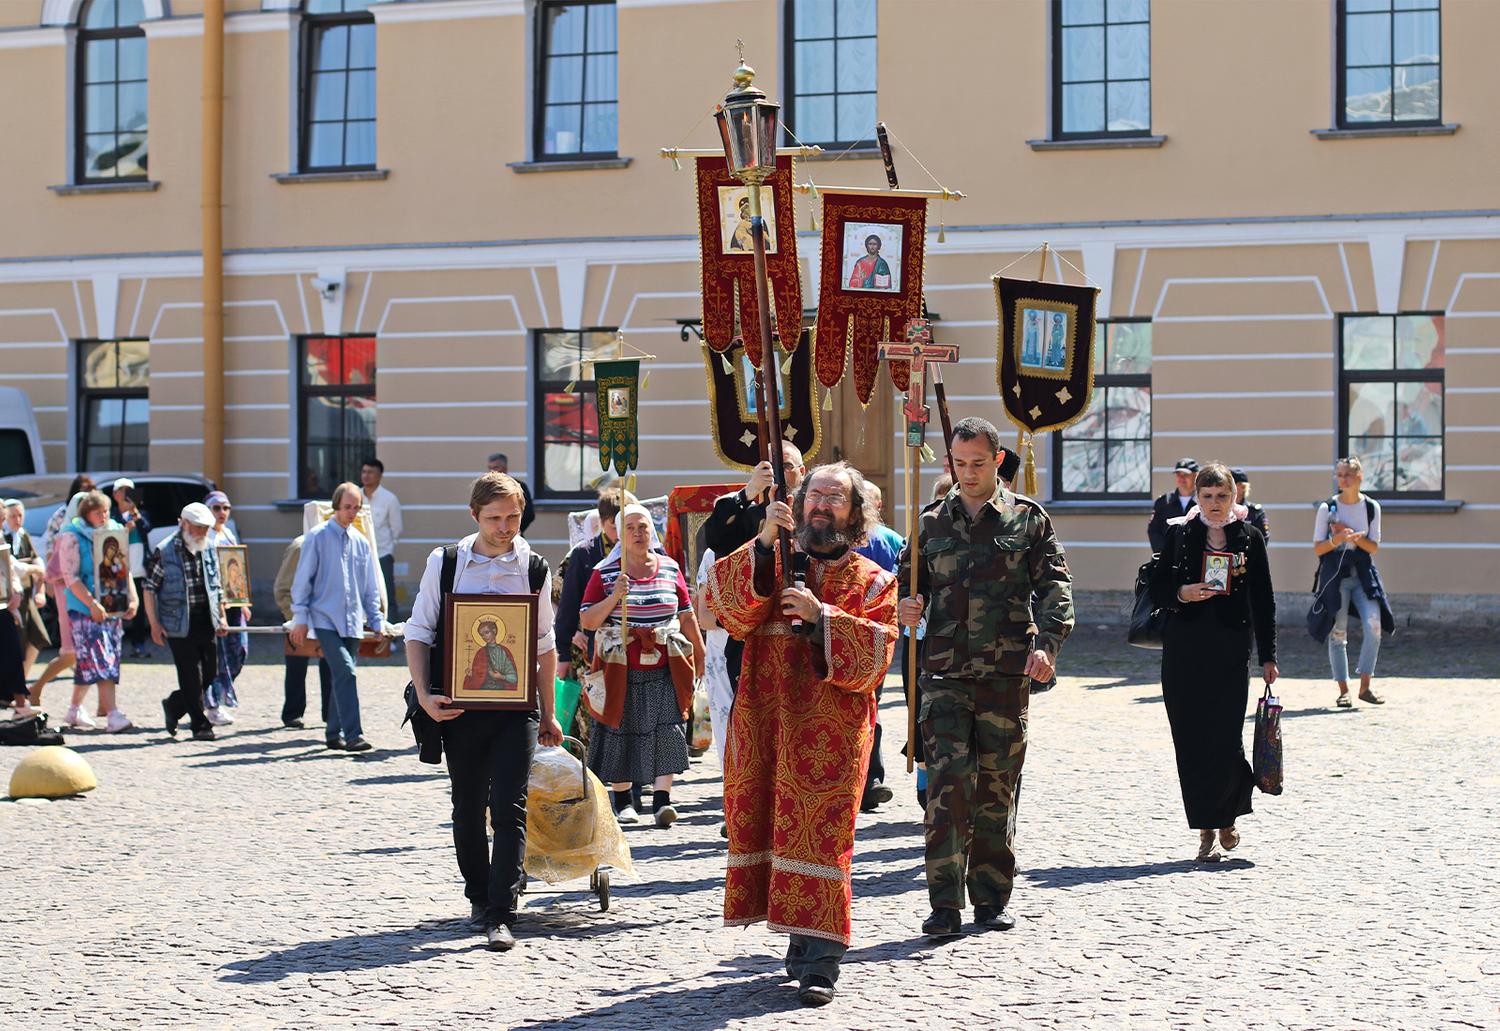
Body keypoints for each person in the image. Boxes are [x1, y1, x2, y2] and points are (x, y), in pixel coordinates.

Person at [704, 460, 898, 1006]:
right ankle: (798, 943)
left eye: (835, 499)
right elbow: (726, 610)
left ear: (856, 513)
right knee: (773, 831)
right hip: (765, 719)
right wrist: (763, 540)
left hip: (831, 734)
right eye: (814, 497)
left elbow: (877, 656)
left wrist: (822, 619)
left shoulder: (874, 580)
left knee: (822, 839)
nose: (821, 507)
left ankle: (821, 963)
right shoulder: (772, 559)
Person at [897, 417, 1073, 938]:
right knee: (947, 790)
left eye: (977, 464)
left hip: (1004, 677)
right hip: (944, 675)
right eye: (958, 464)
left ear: (997, 461)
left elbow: (1055, 587)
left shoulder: (1027, 521)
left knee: (997, 791)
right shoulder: (930, 522)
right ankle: (944, 904)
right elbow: (908, 587)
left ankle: (991, 899)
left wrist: (1048, 646)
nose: (967, 473)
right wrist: (906, 607)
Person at [405, 471, 563, 952]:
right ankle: (478, 895)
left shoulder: (534, 566)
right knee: (468, 805)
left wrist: (550, 712)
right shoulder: (447, 562)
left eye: (513, 516)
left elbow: (543, 645)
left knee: (510, 805)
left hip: (516, 710)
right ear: (475, 515)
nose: (505, 527)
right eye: (495, 518)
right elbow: (419, 631)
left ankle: (502, 910)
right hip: (459, 707)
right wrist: (424, 696)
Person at [1148, 462, 1277, 861]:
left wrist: (1269, 655)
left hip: (1230, 650)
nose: (1215, 503)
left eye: (1222, 496)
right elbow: (1157, 589)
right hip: (1185, 651)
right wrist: (1184, 592)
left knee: (1224, 738)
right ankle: (1204, 827)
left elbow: (1263, 599)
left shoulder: (1249, 537)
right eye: (1208, 496)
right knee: (1190, 740)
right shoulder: (1181, 533)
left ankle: (1227, 818)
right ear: (1198, 498)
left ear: (1234, 496)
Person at [578, 504, 704, 828]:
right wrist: (614, 596)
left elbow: (687, 616)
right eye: (630, 527)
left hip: (666, 663)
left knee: (668, 729)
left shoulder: (670, 568)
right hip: (621, 666)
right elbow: (588, 620)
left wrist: (700, 656)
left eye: (643, 526)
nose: (638, 532)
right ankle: (624, 802)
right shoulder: (605, 573)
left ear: (652, 531)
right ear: (620, 534)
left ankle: (662, 801)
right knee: (621, 728)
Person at [289, 482, 387, 752]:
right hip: (324, 619)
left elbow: (369, 588)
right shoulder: (317, 537)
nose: (352, 512)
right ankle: (353, 734)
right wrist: (300, 616)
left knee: (339, 675)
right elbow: (302, 580)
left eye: (356, 507)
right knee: (347, 672)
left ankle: (333, 734)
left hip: (353, 621)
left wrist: (377, 621)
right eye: (347, 507)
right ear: (336, 507)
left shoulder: (361, 542)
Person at [703, 443, 807, 693]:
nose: (780, 474)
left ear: (803, 471)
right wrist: (749, 491)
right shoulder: (749, 515)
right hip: (756, 641)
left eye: (787, 467)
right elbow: (715, 537)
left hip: (804, 638)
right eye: (772, 468)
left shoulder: (815, 516)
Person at [1310, 456, 1394, 709]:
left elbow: (1374, 547)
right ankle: (1343, 689)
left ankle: (1365, 685)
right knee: (1339, 632)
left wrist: (1355, 539)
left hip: (1363, 573)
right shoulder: (1328, 508)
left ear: (1360, 477)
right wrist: (1337, 540)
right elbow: (1318, 548)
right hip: (1336, 574)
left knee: (1374, 627)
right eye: (1339, 474)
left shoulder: (1371, 507)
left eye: (1348, 474)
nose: (1342, 479)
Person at [53, 490, 138, 733]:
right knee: (102, 657)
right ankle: (112, 714)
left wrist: (132, 598)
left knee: (90, 660)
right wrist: (91, 604)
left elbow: (124, 569)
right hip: (84, 607)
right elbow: (71, 577)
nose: (103, 516)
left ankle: (74, 709)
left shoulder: (113, 532)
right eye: (98, 511)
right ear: (86, 513)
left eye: (106, 511)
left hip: (112, 605)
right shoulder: (72, 536)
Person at [144, 503, 229, 742]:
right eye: (199, 527)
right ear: (184, 523)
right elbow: (149, 588)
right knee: (191, 675)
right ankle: (200, 724)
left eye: (206, 528)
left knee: (210, 672)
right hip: (178, 622)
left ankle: (174, 704)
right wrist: (154, 623)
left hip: (206, 618)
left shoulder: (209, 547)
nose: (202, 533)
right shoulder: (165, 550)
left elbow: (217, 586)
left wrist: (221, 615)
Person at [854, 482, 904, 813]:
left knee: (864, 707)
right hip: (873, 632)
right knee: (870, 704)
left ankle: (869, 779)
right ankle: (870, 779)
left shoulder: (888, 541)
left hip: (866, 632)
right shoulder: (894, 540)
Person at [553, 487, 637, 685]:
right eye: (614, 526)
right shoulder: (584, 554)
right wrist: (563, 652)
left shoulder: (641, 552)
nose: (620, 534)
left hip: (633, 643)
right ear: (601, 521)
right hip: (591, 644)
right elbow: (567, 603)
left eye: (627, 526)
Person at [32, 488, 91, 703]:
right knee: (71, 653)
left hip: (84, 598)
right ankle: (37, 689)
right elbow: (58, 572)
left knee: (84, 655)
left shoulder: (89, 534)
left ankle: (94, 706)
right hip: (70, 598)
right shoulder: (67, 535)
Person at [274, 533, 331, 731]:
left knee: (331, 666)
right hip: (300, 617)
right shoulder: (300, 546)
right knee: (296, 665)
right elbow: (283, 587)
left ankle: (330, 713)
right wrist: (295, 618)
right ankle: (293, 713)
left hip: (327, 618)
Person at [204, 491, 246, 727]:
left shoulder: (228, 532)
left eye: (225, 508)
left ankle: (211, 696)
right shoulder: (207, 538)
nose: (222, 513)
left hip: (234, 605)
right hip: (217, 605)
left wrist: (243, 602)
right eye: (216, 508)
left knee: (238, 651)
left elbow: (237, 570)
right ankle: (212, 704)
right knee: (218, 655)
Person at [4, 499, 51, 680]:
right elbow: (16, 567)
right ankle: (15, 688)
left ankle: (20, 681)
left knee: (39, 637)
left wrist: (40, 590)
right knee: (17, 644)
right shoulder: (5, 538)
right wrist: (33, 568)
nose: (17, 519)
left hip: (26, 596)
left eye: (20, 515)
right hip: (12, 598)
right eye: (12, 516)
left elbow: (38, 564)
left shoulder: (24, 536)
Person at [112, 478, 153, 658]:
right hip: (119, 570)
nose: (127, 494)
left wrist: (135, 512)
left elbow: (147, 527)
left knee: (139, 611)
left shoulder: (140, 513)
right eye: (123, 490)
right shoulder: (112, 517)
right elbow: (109, 539)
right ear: (115, 495)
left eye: (130, 490)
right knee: (117, 607)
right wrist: (123, 530)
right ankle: (114, 645)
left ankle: (139, 645)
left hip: (140, 569)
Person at [361, 458, 404, 621]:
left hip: (382, 555)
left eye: (370, 472)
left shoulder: (389, 499)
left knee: (386, 597)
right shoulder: (355, 497)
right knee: (361, 596)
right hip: (359, 556)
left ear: (379, 476)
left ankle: (390, 638)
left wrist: (388, 548)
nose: (366, 476)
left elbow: (397, 528)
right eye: (364, 472)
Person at [1147, 458, 1199, 553]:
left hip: (1194, 558)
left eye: (1186, 475)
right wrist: (1163, 553)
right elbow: (1154, 531)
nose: (1181, 478)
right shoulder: (1164, 502)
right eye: (1179, 475)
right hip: (1167, 558)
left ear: (1196, 476)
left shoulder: (1203, 502)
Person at [486, 453, 534, 534]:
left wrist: (513, 529)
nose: (492, 471)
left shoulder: (519, 486)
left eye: (495, 467)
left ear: (505, 468)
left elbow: (529, 514)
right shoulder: (486, 489)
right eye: (490, 468)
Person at [1231, 468, 1270, 543]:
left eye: (1231, 484)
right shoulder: (1224, 508)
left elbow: (1264, 537)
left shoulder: (1255, 512)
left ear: (1242, 487)